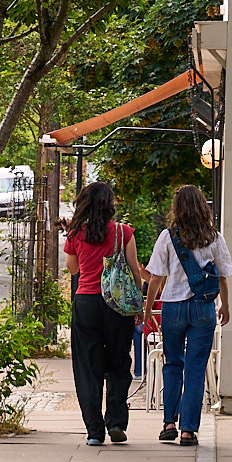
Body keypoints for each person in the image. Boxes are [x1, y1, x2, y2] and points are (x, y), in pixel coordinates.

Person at [145, 185, 231, 448]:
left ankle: (169, 423)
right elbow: (223, 274)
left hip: (173, 307)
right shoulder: (213, 237)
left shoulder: (167, 236)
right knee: (195, 369)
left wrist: (148, 308)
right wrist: (225, 305)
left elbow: (156, 277)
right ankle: (188, 431)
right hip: (203, 308)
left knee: (173, 364)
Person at [64, 180, 148, 446]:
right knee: (119, 363)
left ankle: (93, 431)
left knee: (88, 367)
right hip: (117, 305)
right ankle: (116, 422)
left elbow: (73, 270)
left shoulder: (76, 234)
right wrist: (139, 306)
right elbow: (135, 271)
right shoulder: (124, 233)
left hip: (87, 303)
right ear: (110, 205)